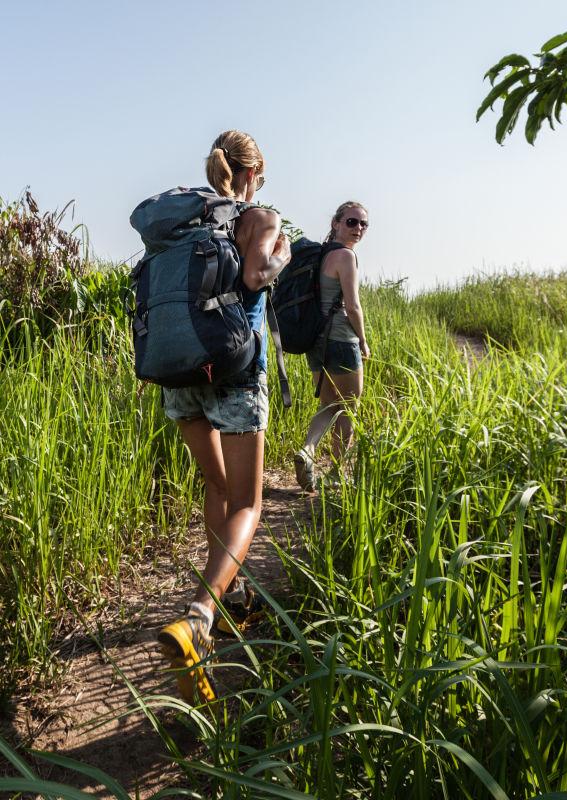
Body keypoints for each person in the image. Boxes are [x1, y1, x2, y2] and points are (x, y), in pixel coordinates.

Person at [157, 130, 290, 704]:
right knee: (248, 503)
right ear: (253, 172)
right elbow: (259, 275)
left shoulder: (184, 218)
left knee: (214, 484)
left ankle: (227, 596)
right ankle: (200, 614)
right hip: (234, 370)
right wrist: (280, 254)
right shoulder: (258, 215)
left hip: (177, 370)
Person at [294, 201, 370, 491]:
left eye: (363, 224)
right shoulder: (346, 256)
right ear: (336, 223)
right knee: (349, 407)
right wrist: (362, 340)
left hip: (316, 341)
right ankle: (338, 474)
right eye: (352, 222)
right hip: (341, 339)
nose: (358, 228)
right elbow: (352, 305)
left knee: (329, 404)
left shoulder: (320, 255)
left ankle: (308, 450)